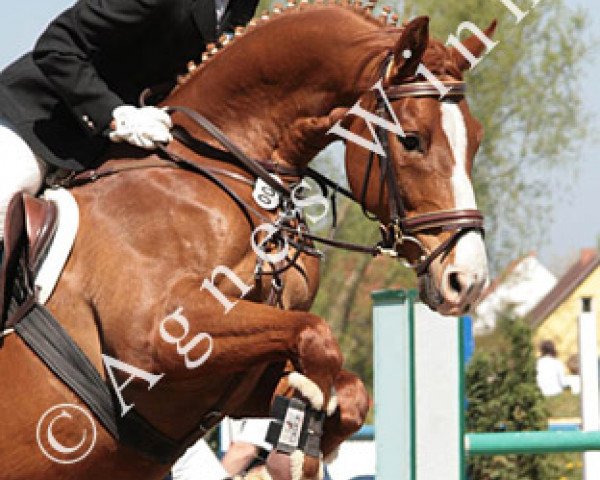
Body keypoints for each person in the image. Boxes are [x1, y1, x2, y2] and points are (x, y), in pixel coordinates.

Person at [0, 0, 259, 243]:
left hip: (116, 145)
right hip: (38, 119)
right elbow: (57, 46)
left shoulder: (243, 3)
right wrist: (115, 115)